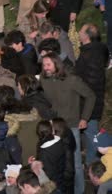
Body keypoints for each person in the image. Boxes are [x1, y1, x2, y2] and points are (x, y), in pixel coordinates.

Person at [40, 52, 96, 194]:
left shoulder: (72, 80)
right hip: (53, 126)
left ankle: (79, 191)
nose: (45, 67)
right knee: (57, 163)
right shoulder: (44, 79)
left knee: (75, 163)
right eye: (43, 64)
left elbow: (90, 96)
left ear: (56, 64)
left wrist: (84, 118)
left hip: (71, 126)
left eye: (48, 64)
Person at [75, 23, 110, 165]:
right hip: (91, 102)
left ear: (86, 36)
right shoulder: (99, 49)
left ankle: (95, 169)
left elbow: (91, 84)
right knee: (90, 135)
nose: (78, 32)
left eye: (81, 30)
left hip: (89, 105)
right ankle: (92, 163)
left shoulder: (89, 55)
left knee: (92, 137)